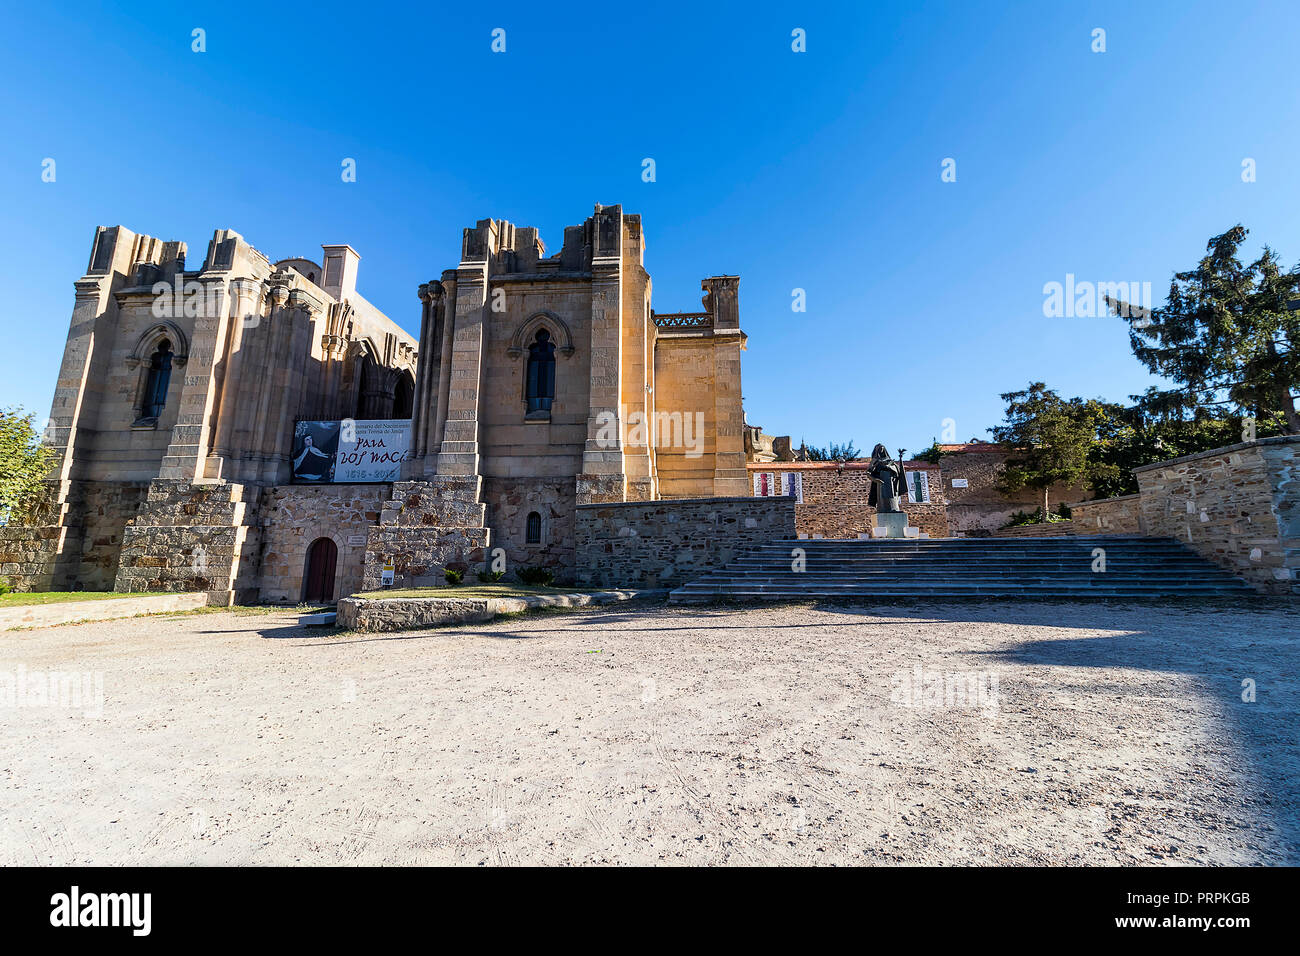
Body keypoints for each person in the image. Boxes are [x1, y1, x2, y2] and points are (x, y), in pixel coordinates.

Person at [867, 443, 907, 513]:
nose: (881, 450)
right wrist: (874, 479)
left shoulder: (890, 460)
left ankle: (894, 509)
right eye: (879, 449)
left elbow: (897, 470)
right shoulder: (875, 460)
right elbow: (868, 473)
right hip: (882, 480)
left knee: (893, 497)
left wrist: (900, 459)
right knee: (884, 498)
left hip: (892, 481)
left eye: (882, 448)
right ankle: (884, 510)